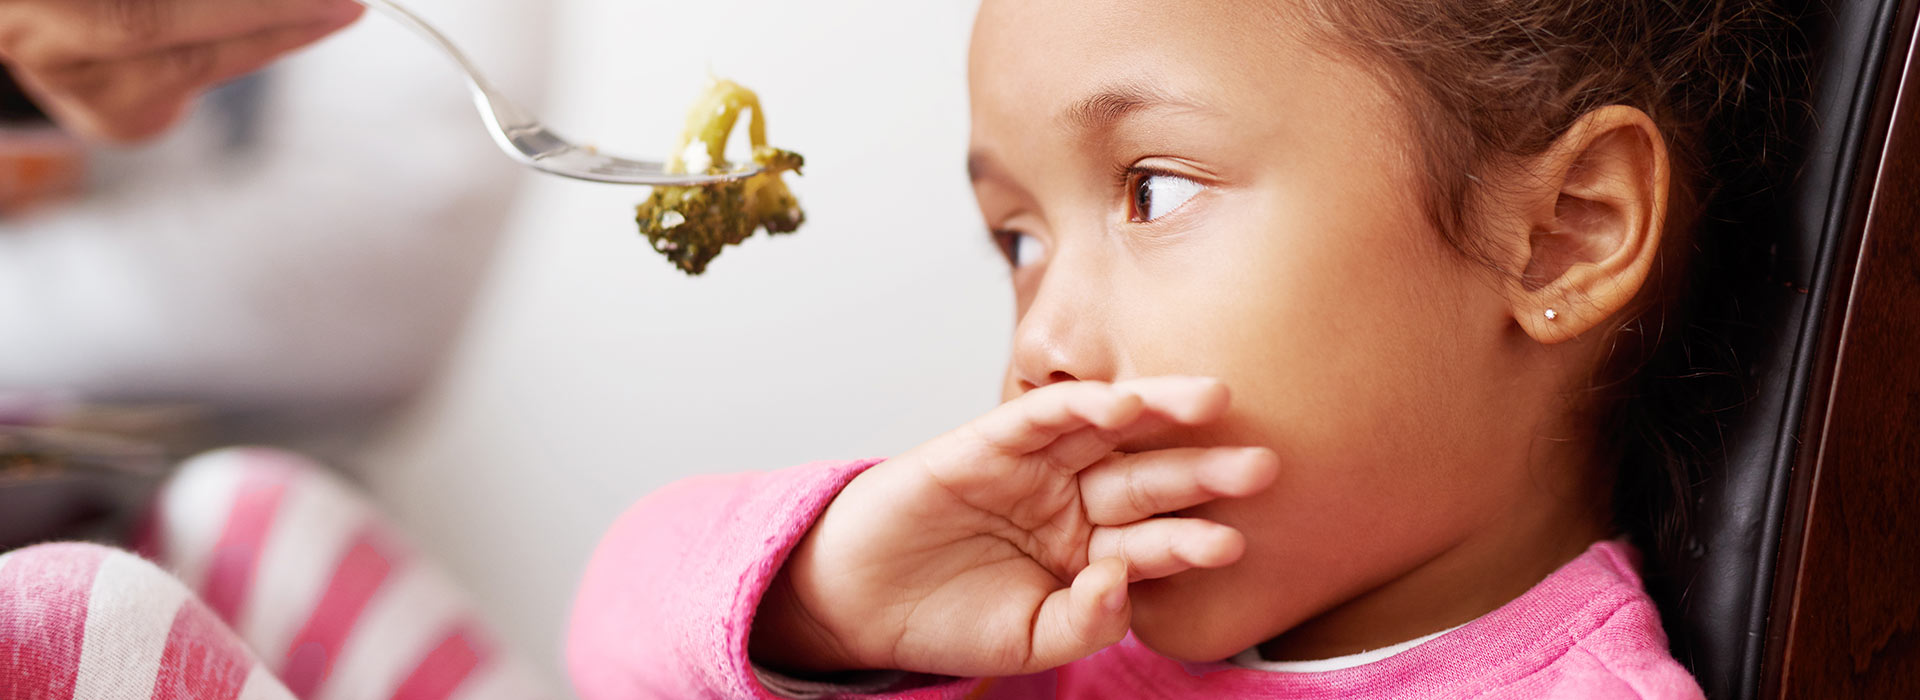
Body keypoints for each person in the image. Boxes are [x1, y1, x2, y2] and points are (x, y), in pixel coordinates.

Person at [565, 0, 1783, 698]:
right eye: (1018, 240)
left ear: (1559, 238)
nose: (1040, 341)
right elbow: (610, 640)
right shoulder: (1049, 644)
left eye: (1150, 191)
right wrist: (824, 599)